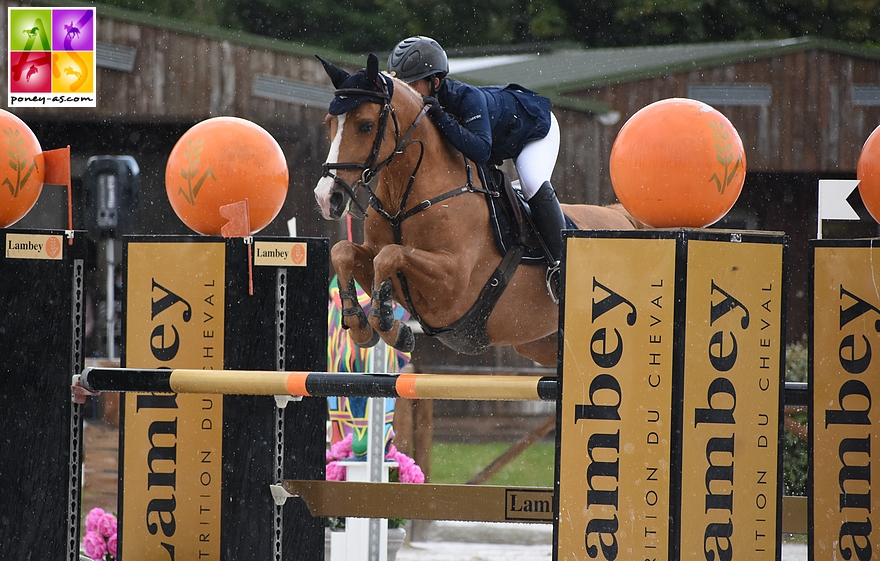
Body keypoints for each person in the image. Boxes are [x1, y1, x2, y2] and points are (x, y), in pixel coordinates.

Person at [386, 35, 566, 302]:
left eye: (412, 84)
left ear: (435, 82)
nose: (407, 92)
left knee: (532, 182)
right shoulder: (427, 106)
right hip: (500, 139)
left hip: (535, 130)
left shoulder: (466, 99)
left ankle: (562, 267)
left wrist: (441, 117)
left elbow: (480, 150)